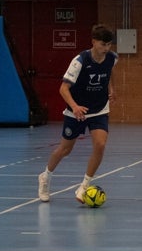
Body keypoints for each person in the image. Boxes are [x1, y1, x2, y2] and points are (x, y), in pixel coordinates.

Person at [38, 24, 118, 203]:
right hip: (77, 111)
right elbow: (63, 88)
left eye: (109, 45)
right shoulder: (80, 61)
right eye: (103, 45)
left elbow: (110, 71)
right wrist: (74, 106)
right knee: (65, 149)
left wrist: (112, 88)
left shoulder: (112, 58)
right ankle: (45, 177)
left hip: (99, 109)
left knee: (100, 144)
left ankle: (84, 186)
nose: (106, 49)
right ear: (94, 42)